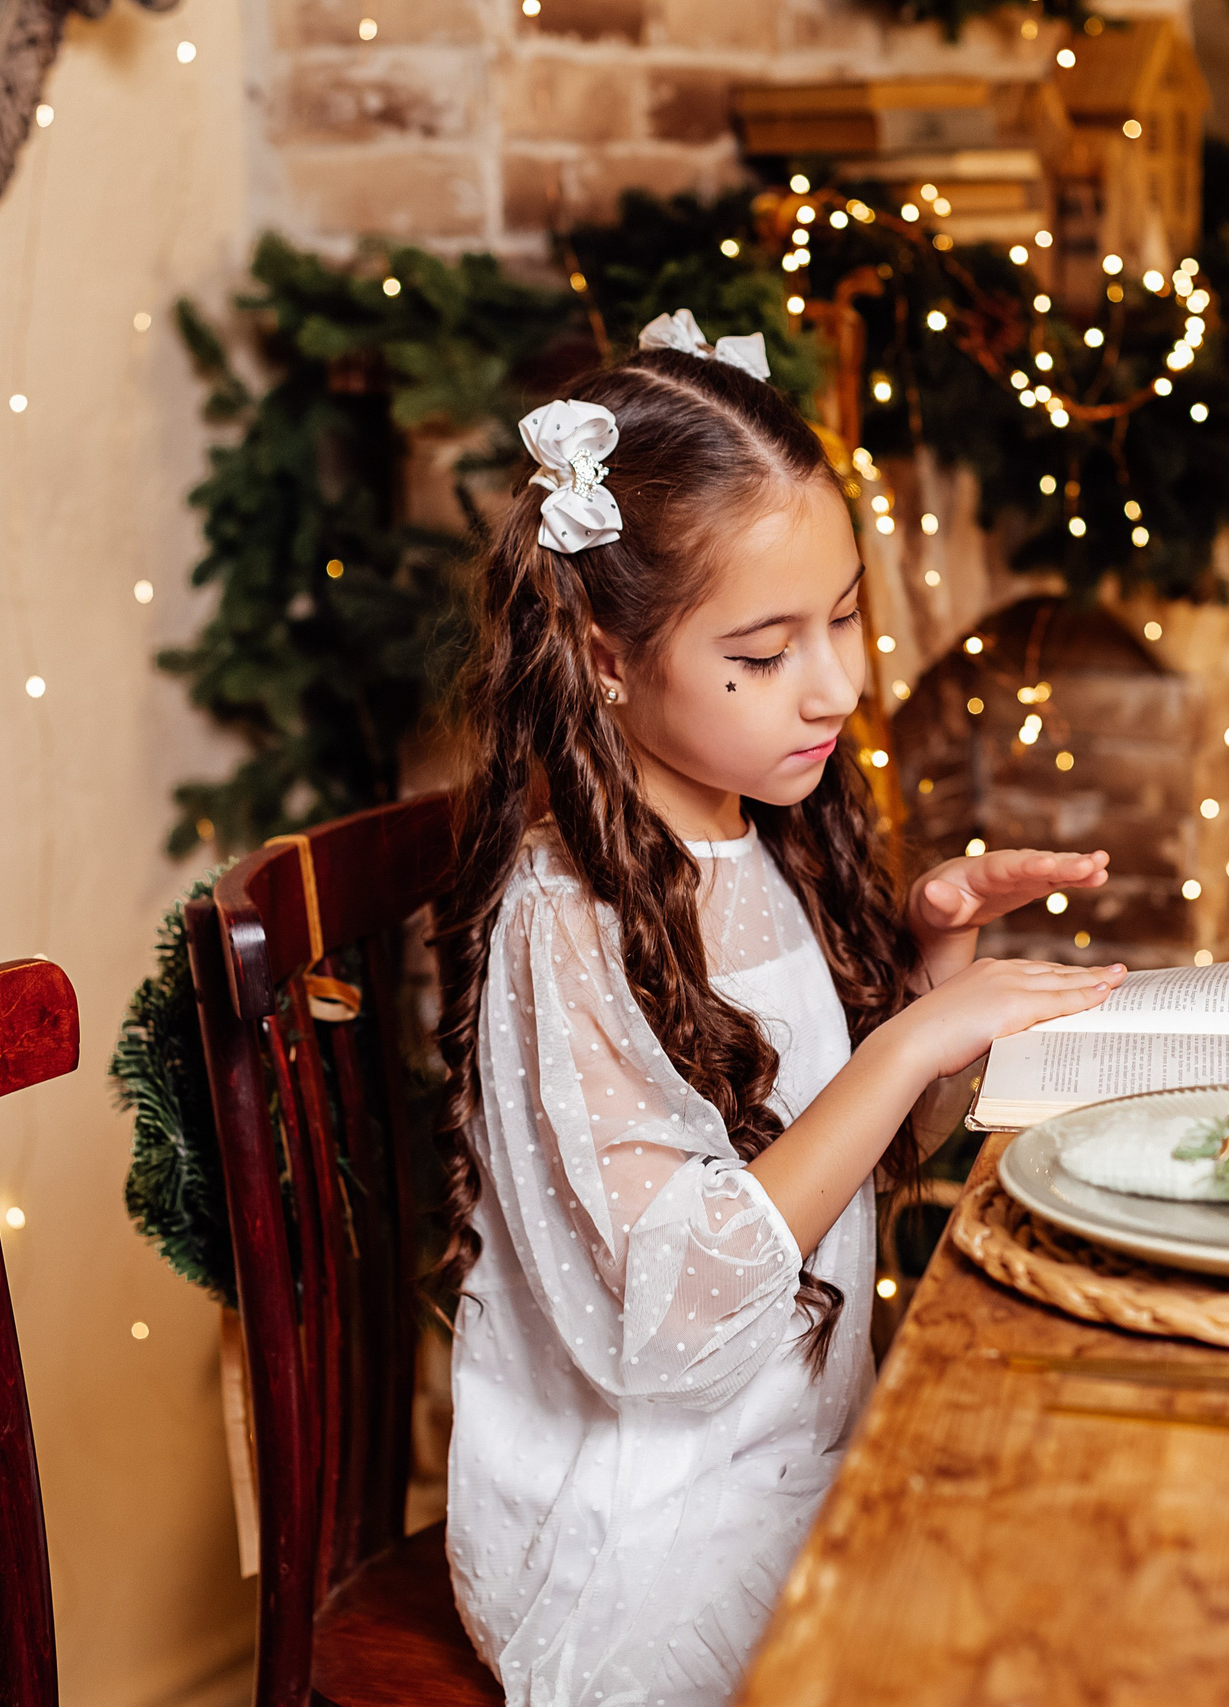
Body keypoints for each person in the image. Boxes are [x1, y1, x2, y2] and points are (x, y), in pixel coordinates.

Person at [431, 310, 1124, 1705]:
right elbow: (671, 1331)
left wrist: (931, 973)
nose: (838, 684)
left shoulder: (758, 828)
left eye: (848, 613)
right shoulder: (568, 920)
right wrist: (910, 1042)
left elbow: (823, 1159)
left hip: (792, 1442)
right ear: (608, 656)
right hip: (646, 1526)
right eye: (761, 654)